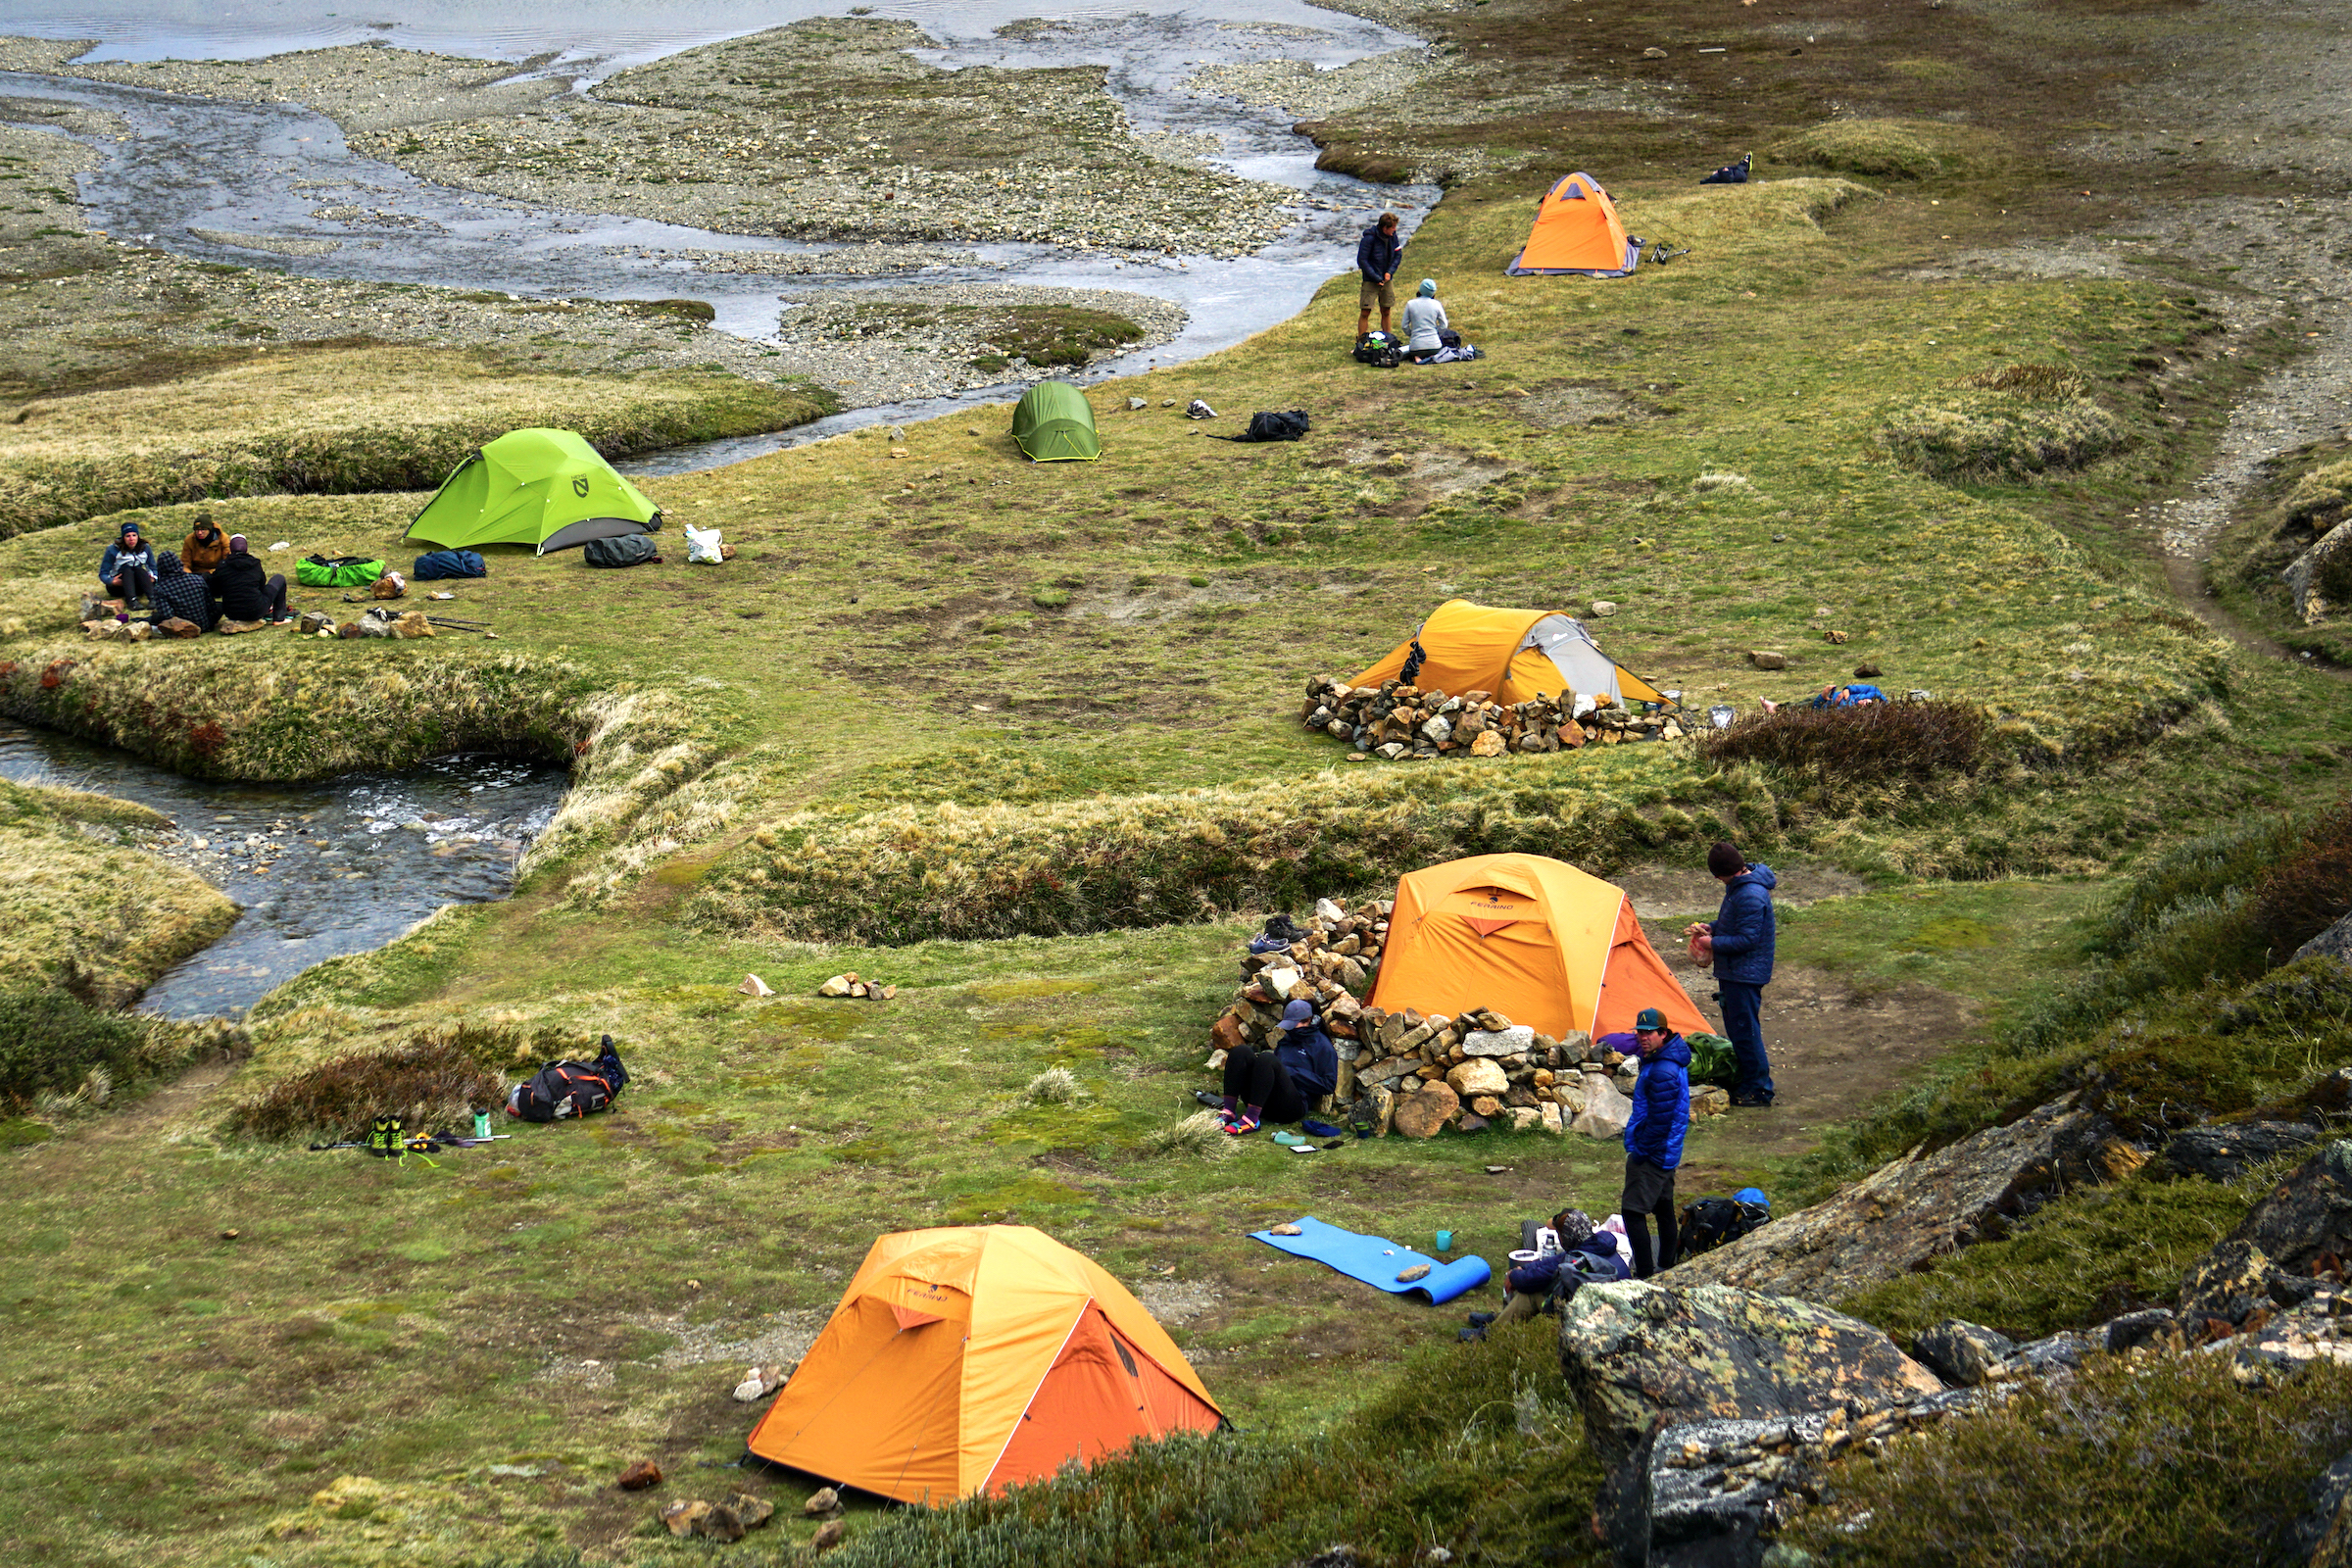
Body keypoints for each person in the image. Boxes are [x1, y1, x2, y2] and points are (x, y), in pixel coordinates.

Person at [1689, 841, 1778, 1105]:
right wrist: (1712, 927)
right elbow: (1734, 923)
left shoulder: (1750, 894)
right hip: (1736, 972)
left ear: (1722, 873)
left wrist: (1711, 943)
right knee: (1740, 1030)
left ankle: (1759, 1090)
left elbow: (1747, 939)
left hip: (1744, 974)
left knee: (1746, 1032)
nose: (1718, 880)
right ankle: (1749, 1081)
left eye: (1717, 875)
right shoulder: (1739, 888)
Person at [1465, 1209, 1625, 1336]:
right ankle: (1500, 1318)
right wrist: (1526, 1268)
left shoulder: (1576, 1259)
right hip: (1617, 1313)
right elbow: (1554, 1262)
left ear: (1567, 1237)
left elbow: (1531, 1279)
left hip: (1593, 1319)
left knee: (1531, 1292)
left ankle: (1493, 1334)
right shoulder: (1600, 1245)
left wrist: (1513, 1275)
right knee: (1537, 1282)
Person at [1620, 1005, 1691, 1278]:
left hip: (1654, 1153)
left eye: (1649, 1032)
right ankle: (1667, 1263)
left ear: (1663, 1033)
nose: (1643, 1037)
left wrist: (1640, 1153)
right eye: (1640, 1031)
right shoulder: (1667, 1059)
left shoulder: (1663, 1070)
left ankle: (1646, 1273)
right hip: (1667, 1151)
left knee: (1632, 1211)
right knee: (1663, 1207)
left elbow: (1660, 1122)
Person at [1219, 999, 1336, 1137]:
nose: (1289, 1029)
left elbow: (1328, 1085)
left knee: (1267, 1059)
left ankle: (1252, 1120)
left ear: (1307, 1020)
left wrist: (1291, 1072)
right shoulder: (1287, 1040)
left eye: (1293, 1024)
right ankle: (1229, 1111)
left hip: (1291, 1108)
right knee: (1241, 1052)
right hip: (1265, 1101)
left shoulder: (1322, 1046)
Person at [212, 533, 291, 625]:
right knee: (279, 578)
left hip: (232, 613)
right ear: (246, 548)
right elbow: (261, 586)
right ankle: (279, 618)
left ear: (231, 548)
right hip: (256, 610)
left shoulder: (223, 566)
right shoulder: (254, 563)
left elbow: (215, 590)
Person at [1355, 212, 1404, 341]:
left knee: (1386, 310)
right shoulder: (1369, 239)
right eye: (1392, 228)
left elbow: (1398, 255)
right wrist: (1376, 277)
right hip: (1371, 281)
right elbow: (1362, 260)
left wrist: (1390, 272)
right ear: (1384, 228)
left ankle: (1388, 339)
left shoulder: (1393, 237)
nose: (1394, 230)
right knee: (1366, 311)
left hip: (1387, 279)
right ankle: (1361, 341)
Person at [146, 551, 215, 631]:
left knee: (155, 617)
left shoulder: (161, 588)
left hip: (182, 628)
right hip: (205, 625)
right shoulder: (197, 579)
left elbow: (167, 616)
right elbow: (211, 606)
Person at [98, 521, 156, 608]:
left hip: (138, 584)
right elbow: (103, 573)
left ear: (138, 536)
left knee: (139, 570)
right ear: (123, 538)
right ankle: (132, 601)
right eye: (128, 536)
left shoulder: (145, 548)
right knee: (128, 570)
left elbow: (153, 567)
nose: (131, 539)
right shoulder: (112, 550)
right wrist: (111, 581)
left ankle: (153, 599)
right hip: (119, 587)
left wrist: (153, 578)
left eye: (134, 535)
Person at [1399, 278, 1449, 362]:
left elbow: (1404, 325)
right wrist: (1436, 333)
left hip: (1416, 346)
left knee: (1417, 352)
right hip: (1435, 346)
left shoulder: (1410, 304)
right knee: (1434, 351)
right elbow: (1444, 325)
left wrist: (1412, 334)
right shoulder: (1437, 304)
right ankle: (1432, 356)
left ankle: (1417, 357)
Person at [181, 514, 230, 581]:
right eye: (197, 530)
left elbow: (227, 562)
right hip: (195, 576)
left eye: (203, 530)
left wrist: (211, 574)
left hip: (217, 574)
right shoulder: (189, 540)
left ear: (209, 529)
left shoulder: (223, 539)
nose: (199, 533)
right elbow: (185, 564)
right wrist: (190, 578)